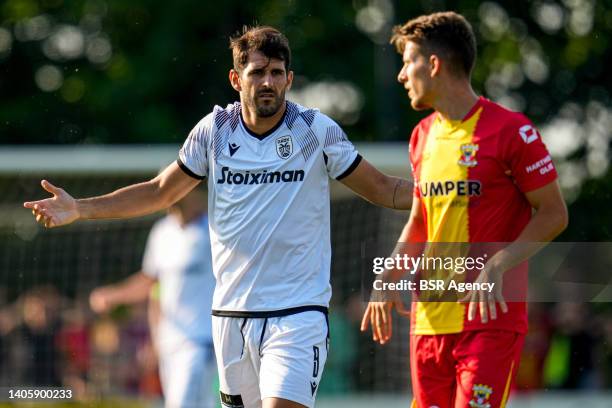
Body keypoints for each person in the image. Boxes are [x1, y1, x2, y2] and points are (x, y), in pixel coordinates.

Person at [24, 26, 413, 408]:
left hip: (298, 313)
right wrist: (81, 207)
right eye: (257, 72)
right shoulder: (214, 131)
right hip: (231, 316)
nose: (267, 82)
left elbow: (384, 189)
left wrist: (442, 191)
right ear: (235, 78)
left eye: (276, 73)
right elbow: (160, 191)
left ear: (289, 79)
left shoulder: (315, 130)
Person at [360, 12, 568, 408]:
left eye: (408, 62)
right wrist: (387, 276)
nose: (402, 76)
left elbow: (554, 213)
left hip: (490, 319)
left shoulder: (511, 131)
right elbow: (420, 221)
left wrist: (499, 263)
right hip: (429, 321)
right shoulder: (421, 137)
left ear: (433, 64)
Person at [89, 188, 216, 408]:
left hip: (201, 342)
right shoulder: (161, 232)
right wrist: (154, 338)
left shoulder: (213, 230)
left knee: (181, 404)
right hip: (169, 342)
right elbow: (153, 286)